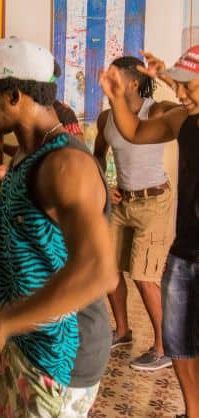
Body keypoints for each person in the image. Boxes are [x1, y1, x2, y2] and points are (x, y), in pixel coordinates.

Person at [0, 37, 116, 417]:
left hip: (59, 354)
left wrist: (2, 324)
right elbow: (37, 235)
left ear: (14, 95)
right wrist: (4, 275)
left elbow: (98, 271)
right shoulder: (27, 152)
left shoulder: (65, 166)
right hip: (25, 338)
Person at [99, 46, 199, 418]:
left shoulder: (169, 110)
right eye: (180, 87)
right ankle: (192, 411)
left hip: (159, 210)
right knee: (180, 343)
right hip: (179, 242)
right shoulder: (179, 119)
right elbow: (136, 133)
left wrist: (165, 80)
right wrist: (115, 97)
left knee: (146, 280)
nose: (182, 94)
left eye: (189, 86)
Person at [93, 56, 179, 371]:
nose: (107, 83)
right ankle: (123, 331)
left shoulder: (153, 110)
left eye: (114, 77)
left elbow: (178, 114)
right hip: (121, 203)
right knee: (110, 270)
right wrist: (104, 185)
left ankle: (164, 346)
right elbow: (97, 157)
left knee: (144, 277)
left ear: (132, 82)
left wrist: (173, 81)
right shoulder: (106, 118)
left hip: (154, 201)